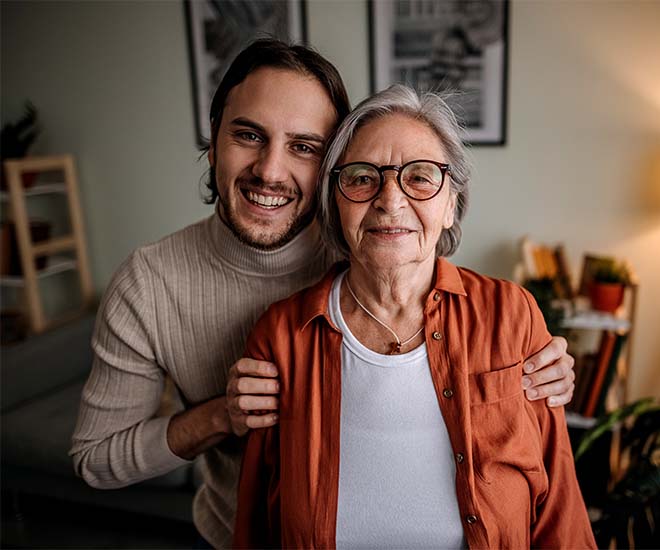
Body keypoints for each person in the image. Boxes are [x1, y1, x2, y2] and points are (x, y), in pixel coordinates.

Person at [70, 40, 576, 548]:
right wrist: (222, 415)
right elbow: (95, 461)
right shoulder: (156, 284)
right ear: (213, 139)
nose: (270, 170)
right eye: (248, 135)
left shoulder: (383, 249)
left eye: (304, 147)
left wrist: (526, 345)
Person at [233, 84, 596, 548]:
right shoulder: (281, 335)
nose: (390, 199)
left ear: (450, 204)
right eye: (363, 177)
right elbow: (256, 527)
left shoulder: (512, 316)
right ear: (336, 202)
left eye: (420, 177)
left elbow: (559, 509)